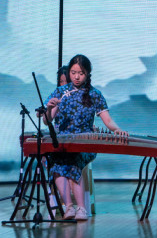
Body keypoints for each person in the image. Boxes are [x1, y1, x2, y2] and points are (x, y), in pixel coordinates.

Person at [41, 54, 126, 220]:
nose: (76, 77)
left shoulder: (94, 94)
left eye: (81, 73)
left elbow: (108, 121)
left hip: (85, 142)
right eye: (73, 73)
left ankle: (81, 208)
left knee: (72, 161)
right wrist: (49, 108)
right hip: (63, 142)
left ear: (87, 74)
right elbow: (46, 120)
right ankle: (69, 207)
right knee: (55, 163)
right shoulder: (61, 92)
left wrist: (117, 130)